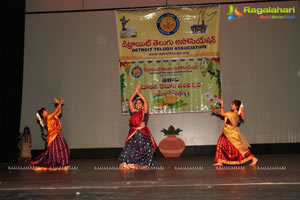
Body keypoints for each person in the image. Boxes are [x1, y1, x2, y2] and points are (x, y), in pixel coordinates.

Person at [119, 84, 157, 169]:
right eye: (136, 103)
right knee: (129, 149)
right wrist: (135, 92)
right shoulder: (134, 112)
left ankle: (144, 164)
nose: (137, 105)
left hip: (143, 134)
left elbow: (145, 101)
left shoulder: (145, 112)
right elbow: (130, 101)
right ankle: (129, 163)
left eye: (139, 103)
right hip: (134, 134)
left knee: (149, 149)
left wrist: (139, 93)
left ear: (143, 105)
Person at [211, 99, 258, 166]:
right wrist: (215, 111)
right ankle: (220, 161)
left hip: (231, 133)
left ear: (236, 107)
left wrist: (221, 104)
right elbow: (224, 114)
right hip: (227, 132)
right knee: (220, 144)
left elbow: (223, 113)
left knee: (240, 148)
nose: (231, 105)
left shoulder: (233, 114)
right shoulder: (233, 114)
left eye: (232, 104)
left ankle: (254, 158)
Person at [29, 96, 70, 170]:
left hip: (58, 134)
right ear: (42, 114)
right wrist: (60, 103)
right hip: (53, 136)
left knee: (63, 149)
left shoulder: (51, 116)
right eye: (45, 110)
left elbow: (59, 112)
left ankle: (63, 165)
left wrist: (59, 105)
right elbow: (55, 112)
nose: (47, 110)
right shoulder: (47, 117)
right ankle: (57, 165)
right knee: (56, 151)